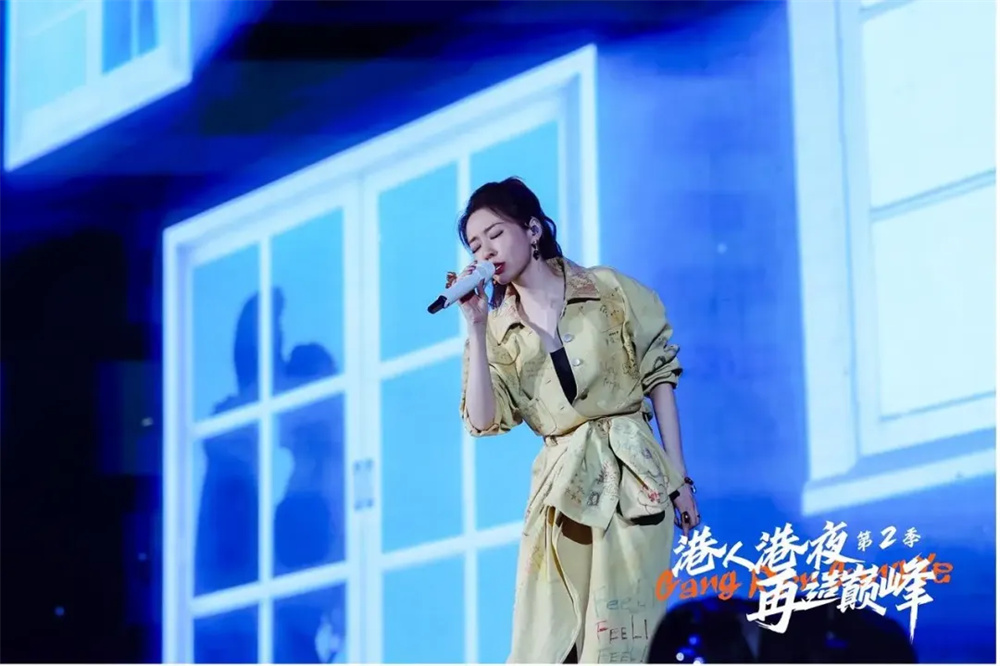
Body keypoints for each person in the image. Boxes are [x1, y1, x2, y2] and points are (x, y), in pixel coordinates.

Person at [451, 177, 699, 664]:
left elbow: (659, 375)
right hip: (561, 495)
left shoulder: (607, 289)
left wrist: (680, 477)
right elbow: (482, 420)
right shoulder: (497, 329)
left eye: (495, 234)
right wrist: (476, 327)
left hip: (634, 483)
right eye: (475, 245)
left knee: (621, 642)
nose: (486, 252)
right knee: (549, 645)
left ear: (533, 230)